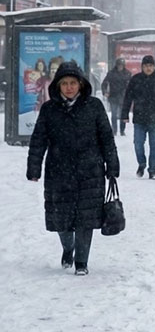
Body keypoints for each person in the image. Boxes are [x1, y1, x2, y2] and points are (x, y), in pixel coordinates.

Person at [26, 61, 119, 276]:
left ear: (80, 84)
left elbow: (106, 138)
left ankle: (82, 262)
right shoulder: (49, 110)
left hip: (90, 171)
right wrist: (34, 168)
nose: (69, 87)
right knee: (62, 220)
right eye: (64, 83)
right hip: (59, 171)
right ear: (58, 86)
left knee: (86, 219)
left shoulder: (94, 106)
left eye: (73, 83)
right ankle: (68, 248)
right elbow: (39, 139)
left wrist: (112, 165)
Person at [120, 55, 155, 179]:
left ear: (154, 66)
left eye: (150, 66)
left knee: (154, 145)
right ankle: (142, 163)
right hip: (139, 117)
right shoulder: (136, 80)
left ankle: (152, 169)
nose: (148, 68)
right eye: (145, 66)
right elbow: (128, 97)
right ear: (142, 67)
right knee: (138, 144)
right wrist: (125, 114)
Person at [100, 58, 133, 136]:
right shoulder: (111, 73)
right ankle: (114, 130)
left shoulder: (127, 74)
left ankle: (122, 130)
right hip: (113, 96)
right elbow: (104, 83)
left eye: (121, 65)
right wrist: (105, 92)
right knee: (114, 114)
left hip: (123, 96)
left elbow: (131, 86)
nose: (120, 67)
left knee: (122, 114)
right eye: (119, 65)